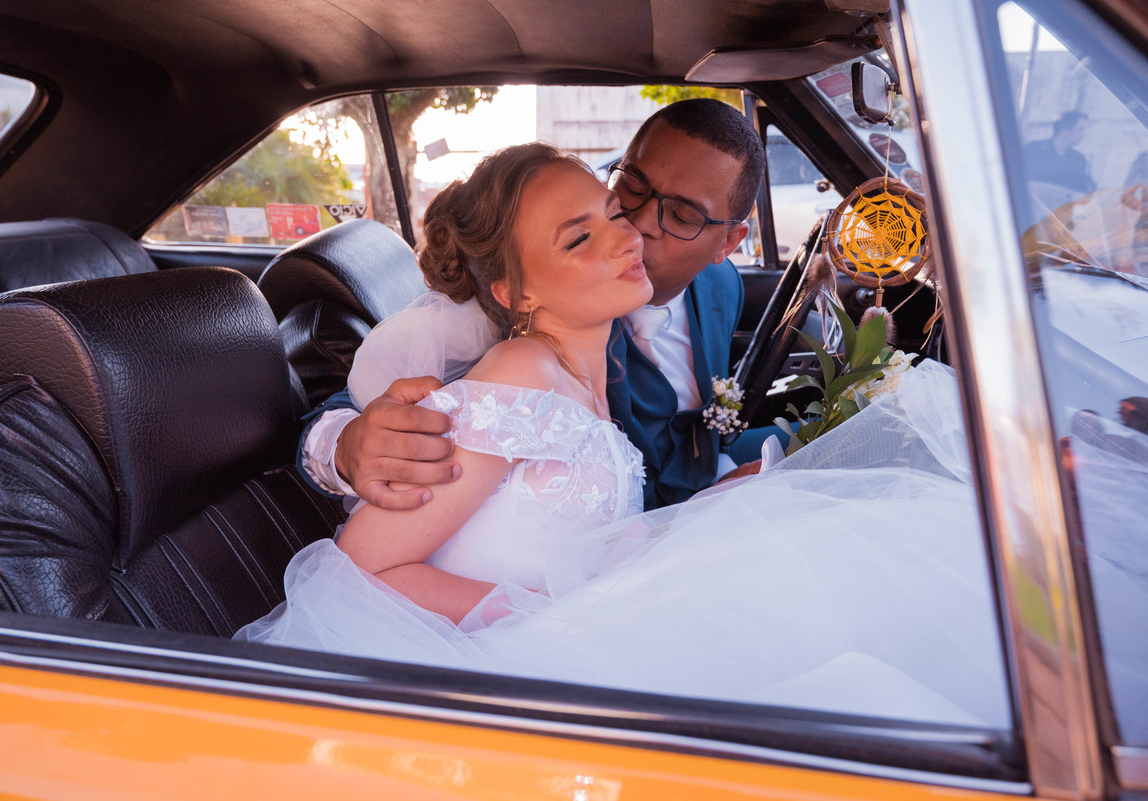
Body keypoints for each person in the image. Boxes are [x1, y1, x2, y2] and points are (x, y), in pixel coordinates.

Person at [238, 142, 1011, 729]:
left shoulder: (583, 373)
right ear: (515, 291)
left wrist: (705, 507)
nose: (625, 238)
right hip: (507, 669)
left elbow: (562, 531)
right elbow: (362, 571)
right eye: (578, 240)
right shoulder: (518, 377)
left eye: (612, 214)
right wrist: (557, 613)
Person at [301, 99, 768, 512]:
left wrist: (724, 476)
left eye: (683, 215)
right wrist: (344, 447)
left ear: (728, 243)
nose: (639, 224)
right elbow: (365, 401)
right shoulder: (527, 310)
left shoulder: (722, 286)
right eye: (632, 186)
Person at [1024, 111, 1096, 195]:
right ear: (1064, 130)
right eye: (1080, 129)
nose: (1084, 134)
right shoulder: (1033, 150)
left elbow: (1083, 191)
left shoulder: (1079, 159)